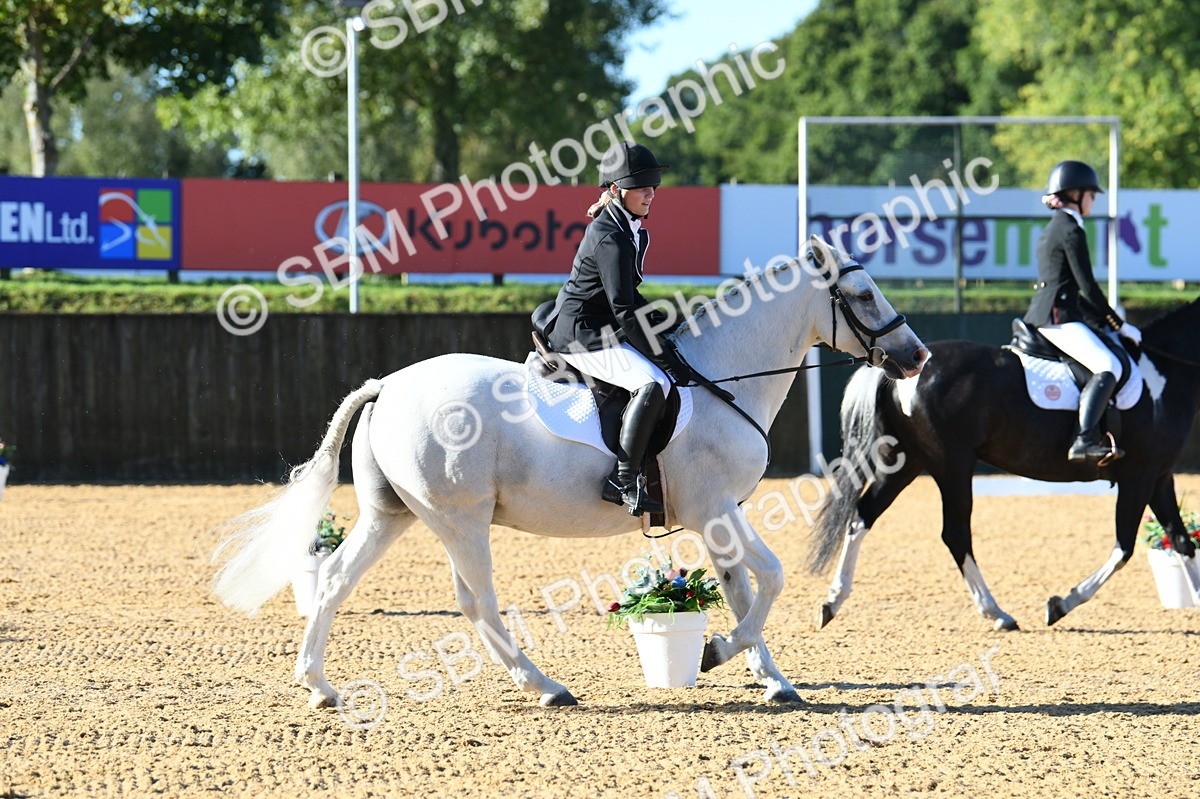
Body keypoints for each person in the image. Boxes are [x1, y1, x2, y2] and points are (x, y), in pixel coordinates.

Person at [532, 141, 691, 516]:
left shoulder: (626, 227)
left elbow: (630, 297)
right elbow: (623, 310)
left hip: (601, 325)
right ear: (618, 191)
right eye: (642, 188)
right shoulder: (611, 236)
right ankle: (622, 478)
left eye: (654, 186)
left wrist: (668, 322)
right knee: (653, 383)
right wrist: (662, 354)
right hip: (583, 334)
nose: (651, 194)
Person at [1024, 160, 1141, 463]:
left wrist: (1108, 322)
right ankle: (1084, 439)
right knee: (1108, 365)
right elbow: (1087, 287)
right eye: (1091, 194)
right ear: (1075, 194)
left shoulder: (1057, 227)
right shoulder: (1070, 230)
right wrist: (1119, 325)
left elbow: (1074, 290)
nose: (1094, 200)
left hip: (1053, 312)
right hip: (1058, 318)